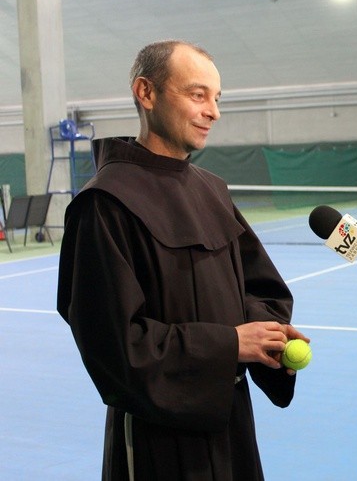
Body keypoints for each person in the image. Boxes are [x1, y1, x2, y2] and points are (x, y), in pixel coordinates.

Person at [57, 39, 309, 481]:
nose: (214, 111)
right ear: (146, 92)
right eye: (198, 95)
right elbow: (115, 348)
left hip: (230, 423)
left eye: (216, 98)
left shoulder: (212, 189)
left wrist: (266, 337)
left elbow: (259, 289)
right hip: (158, 442)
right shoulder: (105, 204)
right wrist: (230, 344)